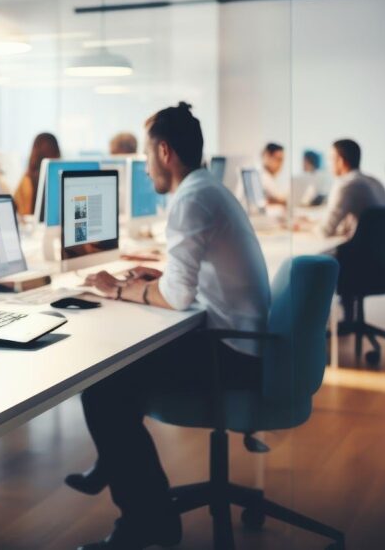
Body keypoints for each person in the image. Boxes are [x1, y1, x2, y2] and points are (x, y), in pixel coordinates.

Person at [67, 103, 270, 550]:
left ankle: (146, 522)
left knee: (103, 388)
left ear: (164, 152)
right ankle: (119, 467)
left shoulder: (192, 198)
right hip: (241, 341)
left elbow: (178, 298)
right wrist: (156, 280)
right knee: (121, 373)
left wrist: (118, 290)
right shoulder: (208, 189)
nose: (142, 169)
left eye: (144, 157)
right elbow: (189, 282)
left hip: (232, 354)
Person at [315, 139, 385, 238]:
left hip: (364, 250)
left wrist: (303, 226)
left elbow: (325, 231)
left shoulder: (346, 185)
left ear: (340, 161)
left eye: (330, 159)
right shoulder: (374, 181)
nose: (328, 164)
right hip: (381, 247)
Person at [13, 132, 60, 216]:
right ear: (56, 151)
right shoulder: (60, 179)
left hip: (31, 227)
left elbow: (18, 211)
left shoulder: (26, 180)